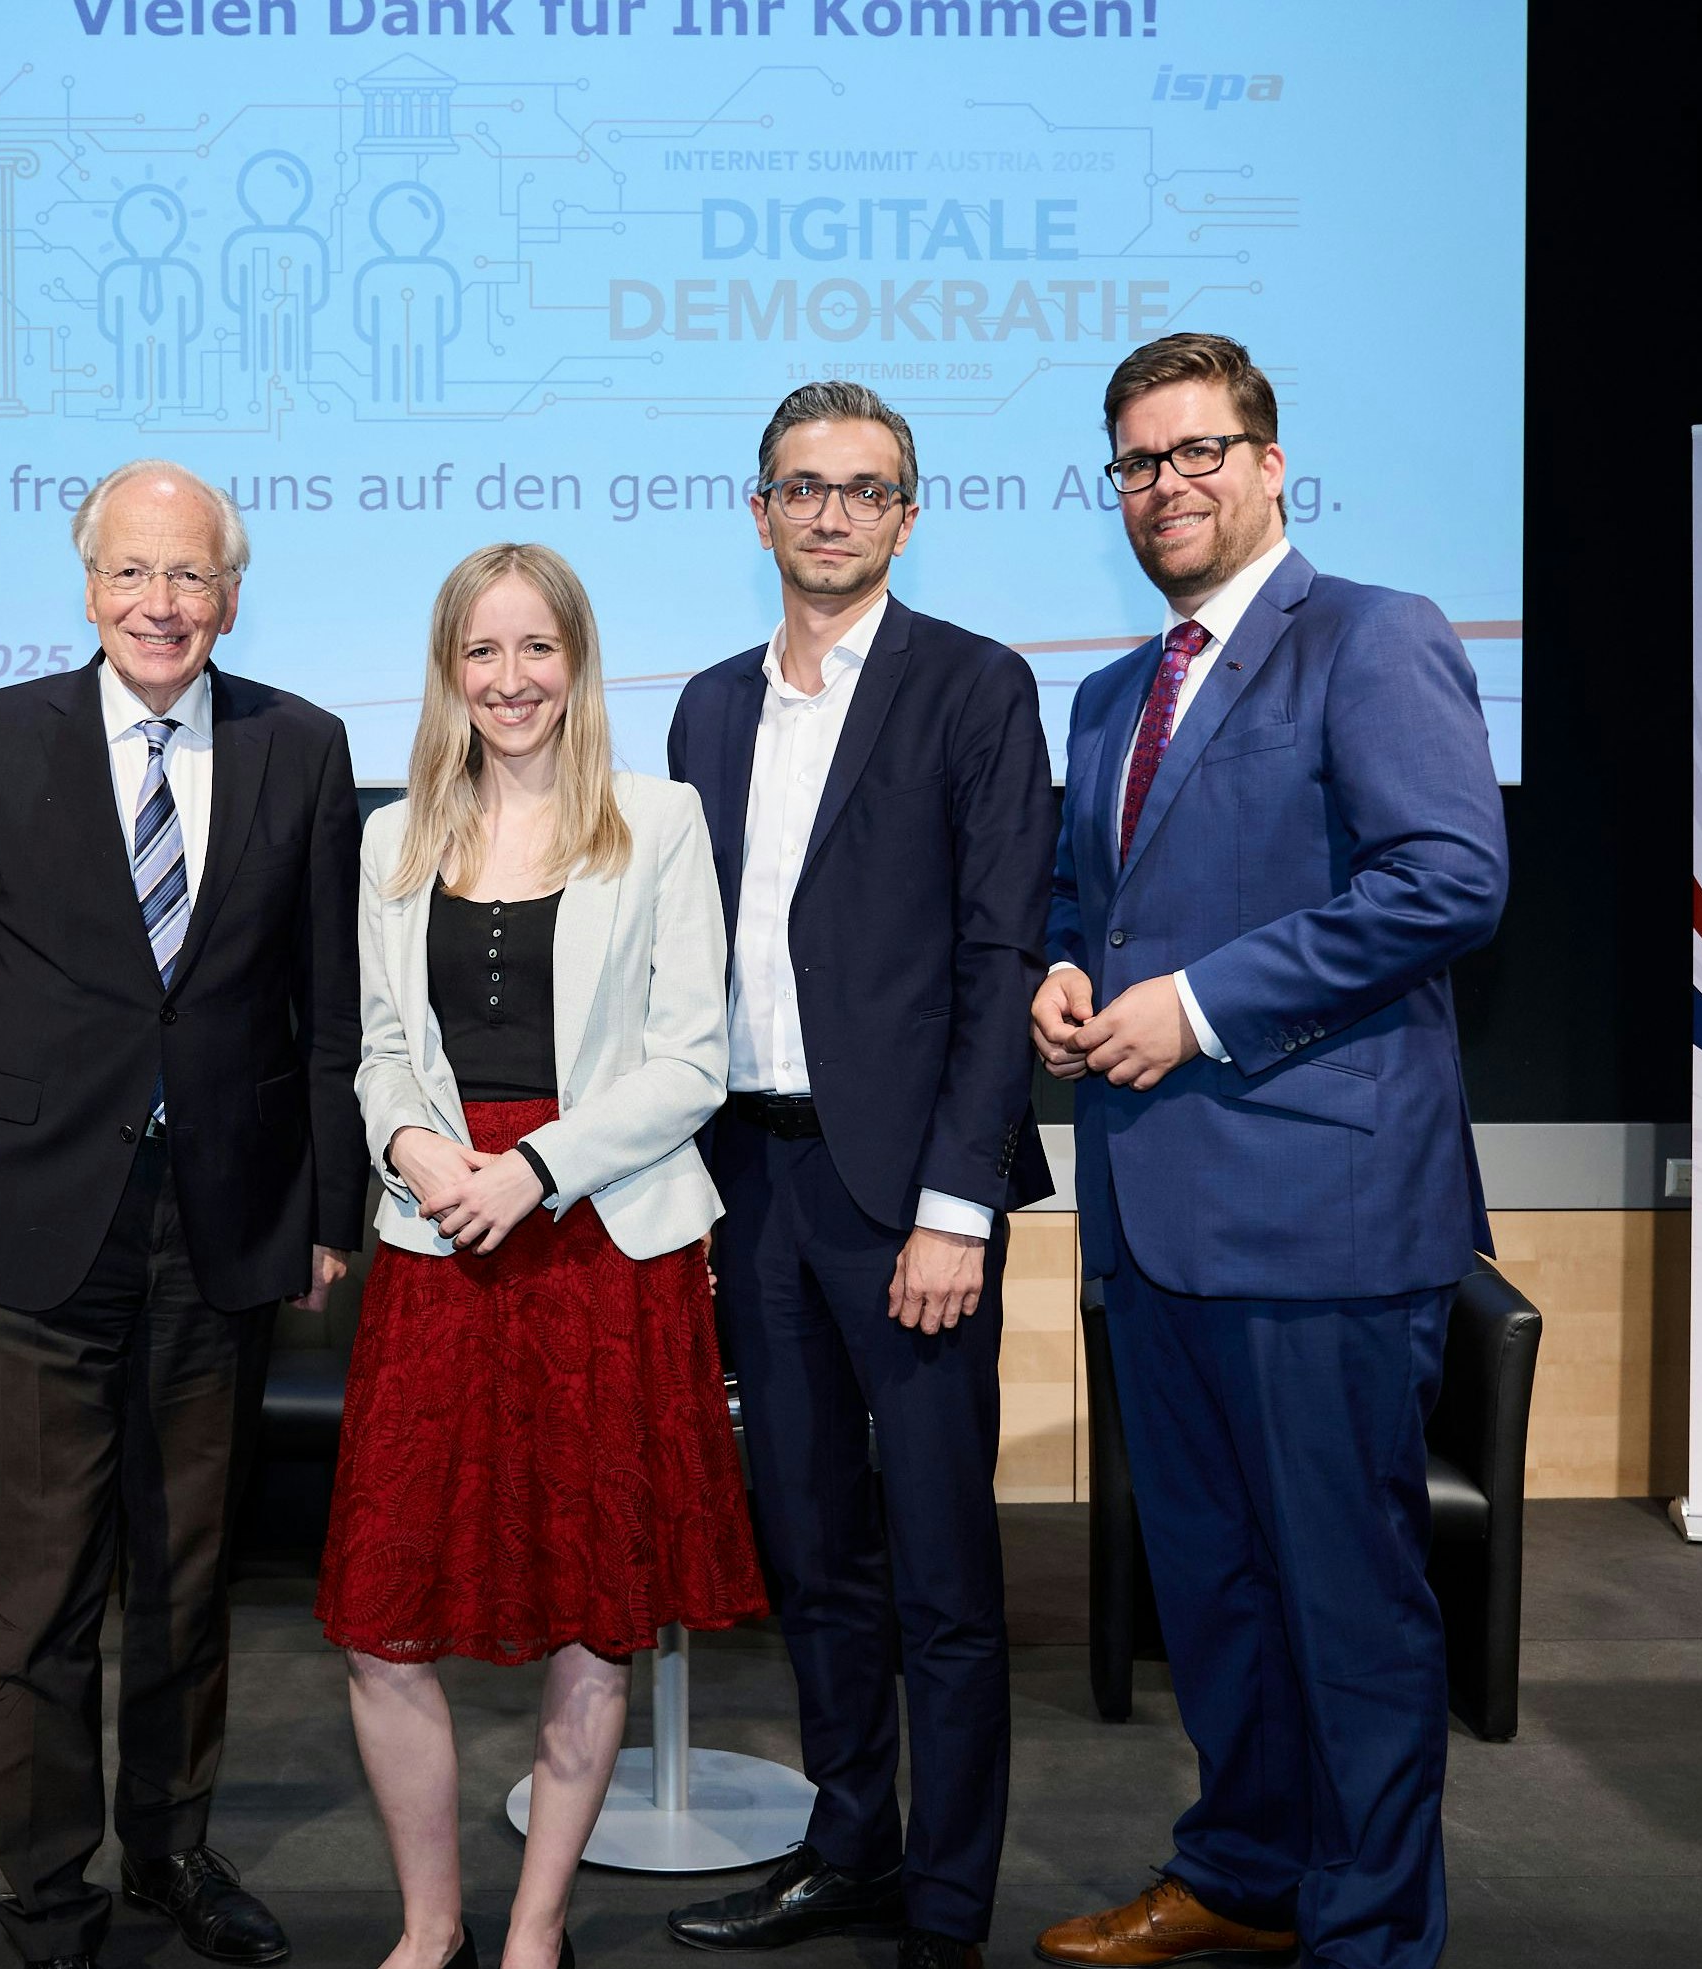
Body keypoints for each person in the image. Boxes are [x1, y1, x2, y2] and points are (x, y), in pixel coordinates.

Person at [1028, 332, 1507, 1969]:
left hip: (1324, 1220)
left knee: (1348, 1608)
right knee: (1218, 1592)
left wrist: (1202, 1005)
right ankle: (1243, 1871)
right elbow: (1080, 896)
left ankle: (1373, 1934)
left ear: (1271, 461)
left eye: (1198, 451)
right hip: (1153, 1221)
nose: (1168, 485)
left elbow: (1449, 875)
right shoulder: (1109, 694)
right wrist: (1065, 965)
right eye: (1140, 463)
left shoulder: (1371, 638)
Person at [0, 460, 363, 1969]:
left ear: (234, 593)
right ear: (88, 585)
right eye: (134, 575)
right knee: (38, 1587)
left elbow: (327, 1015)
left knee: (188, 1572)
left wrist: (326, 1211)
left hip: (221, 1225)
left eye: (193, 578)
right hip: (37, 1225)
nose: (163, 605)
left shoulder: (305, 745)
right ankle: (46, 1888)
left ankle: (170, 1846)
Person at [323, 543, 767, 1969]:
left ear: (578, 659)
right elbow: (381, 1050)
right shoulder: (391, 837)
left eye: (538, 650)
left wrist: (538, 1167)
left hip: (601, 1243)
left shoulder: (661, 817)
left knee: (594, 1606)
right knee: (383, 1615)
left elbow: (698, 1056)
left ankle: (531, 1930)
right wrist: (413, 1151)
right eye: (482, 652)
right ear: (449, 669)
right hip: (438, 1239)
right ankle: (428, 1924)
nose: (511, 680)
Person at [661, 382, 1060, 1969]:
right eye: (804, 488)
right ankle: (849, 1849)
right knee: (811, 1546)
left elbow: (995, 956)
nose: (832, 513)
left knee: (946, 1571)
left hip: (909, 1204)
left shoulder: (975, 687)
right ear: (757, 509)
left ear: (907, 513)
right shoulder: (701, 706)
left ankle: (948, 1903)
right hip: (750, 1185)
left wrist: (958, 1204)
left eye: (866, 490)